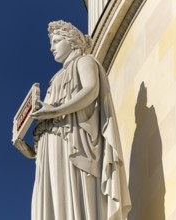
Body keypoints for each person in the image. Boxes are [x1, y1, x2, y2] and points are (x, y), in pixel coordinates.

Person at [15, 20, 131, 220]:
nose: (52, 48)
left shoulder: (84, 61)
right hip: (50, 150)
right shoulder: (56, 78)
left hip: (74, 144)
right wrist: (29, 150)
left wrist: (55, 111)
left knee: (72, 197)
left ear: (71, 40)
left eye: (57, 41)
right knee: (54, 204)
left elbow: (91, 89)